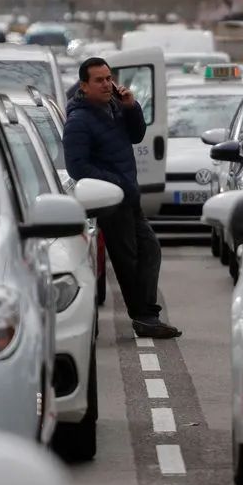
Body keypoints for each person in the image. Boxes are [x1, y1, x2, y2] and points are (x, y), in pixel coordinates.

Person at [63, 57, 181, 339]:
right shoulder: (79, 121)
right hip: (110, 200)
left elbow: (137, 135)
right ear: (84, 85)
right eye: (99, 80)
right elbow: (77, 167)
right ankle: (144, 317)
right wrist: (115, 184)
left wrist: (131, 107)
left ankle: (147, 315)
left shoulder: (115, 107)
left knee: (149, 249)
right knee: (128, 260)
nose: (106, 84)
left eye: (108, 78)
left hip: (129, 197)